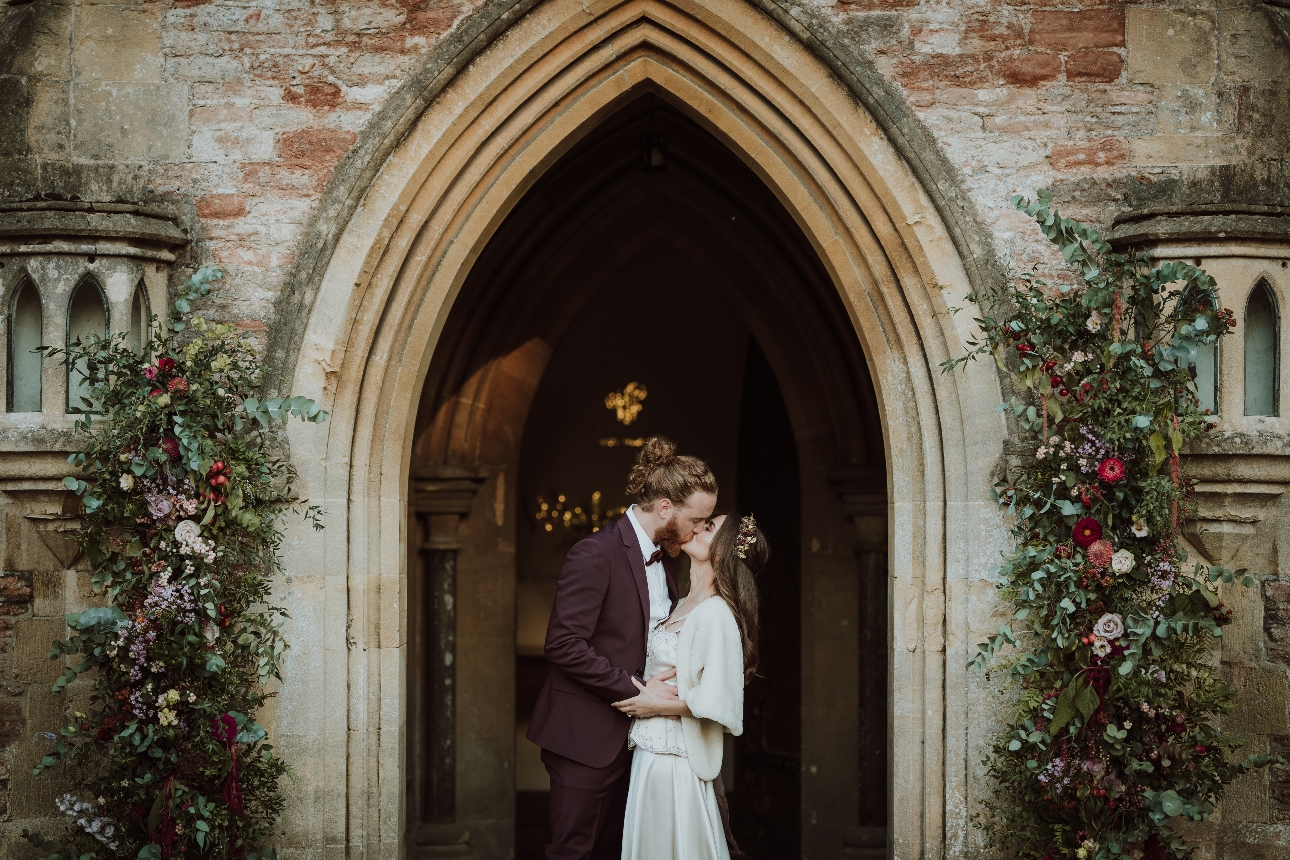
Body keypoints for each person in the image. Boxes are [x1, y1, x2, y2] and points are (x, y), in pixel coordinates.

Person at [527, 437, 719, 860]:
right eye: (698, 519)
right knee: (573, 851)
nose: (701, 530)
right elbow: (563, 644)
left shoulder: (668, 558)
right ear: (665, 508)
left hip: (637, 742)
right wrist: (636, 691)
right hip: (585, 736)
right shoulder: (596, 552)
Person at [613, 512, 769, 860]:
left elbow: (717, 699)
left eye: (708, 526)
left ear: (724, 549)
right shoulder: (681, 604)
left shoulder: (717, 613)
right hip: (650, 751)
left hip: (675, 760)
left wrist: (656, 707)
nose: (697, 527)